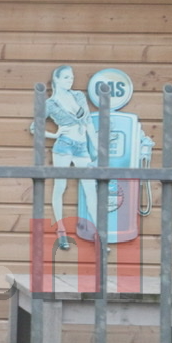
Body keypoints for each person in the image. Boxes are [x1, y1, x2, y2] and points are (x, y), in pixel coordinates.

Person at [43, 64, 99, 250]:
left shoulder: (78, 96)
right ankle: (61, 232)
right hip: (64, 145)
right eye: (66, 77)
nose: (70, 80)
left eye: (72, 77)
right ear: (56, 79)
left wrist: (97, 149)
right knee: (61, 186)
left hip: (81, 146)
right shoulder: (50, 104)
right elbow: (35, 127)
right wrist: (54, 134)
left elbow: (89, 123)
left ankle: (99, 234)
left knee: (90, 187)